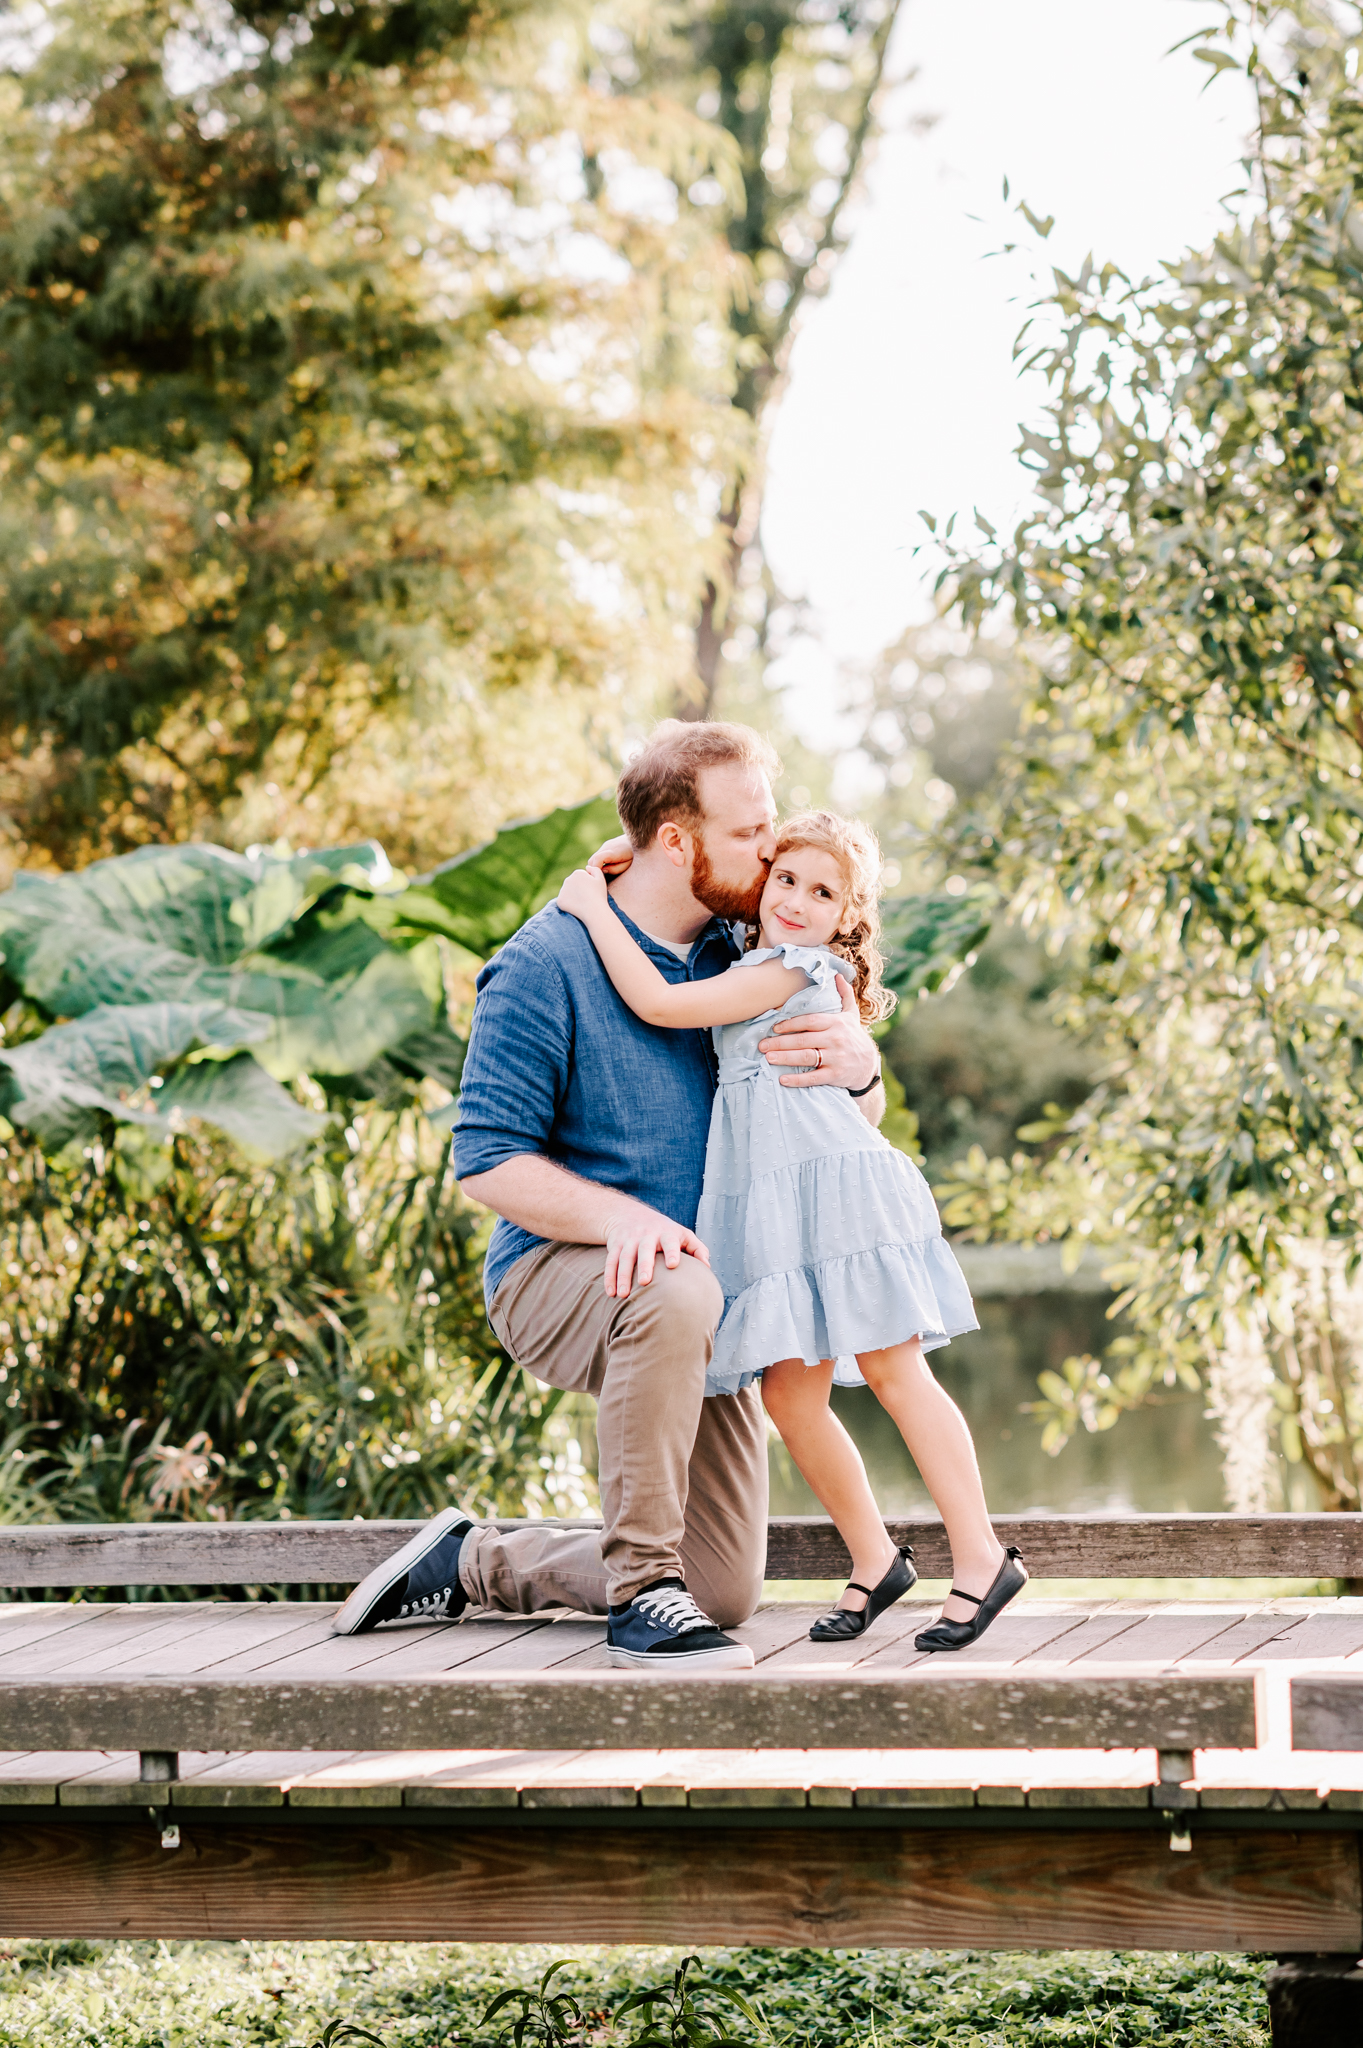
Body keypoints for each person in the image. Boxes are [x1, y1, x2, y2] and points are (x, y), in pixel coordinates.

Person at [332, 721, 886, 1666]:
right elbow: (486, 1159)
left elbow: (838, 1122)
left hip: (695, 1293)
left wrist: (861, 1070)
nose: (774, 848)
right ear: (677, 842)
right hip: (562, 1275)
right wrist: (622, 1218)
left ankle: (471, 1564)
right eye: (752, 832)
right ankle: (641, 1599)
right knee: (672, 1286)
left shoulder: (744, 949)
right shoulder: (541, 965)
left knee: (724, 1588)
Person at [554, 807, 1025, 1653]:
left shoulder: (789, 967)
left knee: (893, 1372)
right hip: (779, 1204)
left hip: (836, 1192)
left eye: (823, 891)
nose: (798, 900)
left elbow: (662, 1002)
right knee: (788, 1396)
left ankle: (983, 1557)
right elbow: (682, 876)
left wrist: (590, 906)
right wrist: (624, 858)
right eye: (785, 880)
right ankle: (876, 1558)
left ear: (848, 915)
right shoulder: (757, 951)